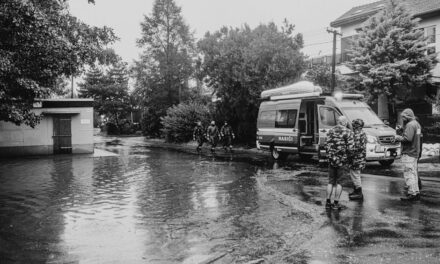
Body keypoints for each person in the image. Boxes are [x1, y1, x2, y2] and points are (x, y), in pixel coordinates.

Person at [325, 116, 354, 210]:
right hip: (342, 160)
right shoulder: (348, 132)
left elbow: (326, 145)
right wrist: (350, 159)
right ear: (345, 123)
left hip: (331, 160)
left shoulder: (330, 131)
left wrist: (330, 156)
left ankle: (328, 202)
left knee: (330, 181)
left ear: (338, 122)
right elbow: (350, 148)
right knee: (340, 182)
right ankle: (336, 203)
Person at [394, 108, 422, 201]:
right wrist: (402, 130)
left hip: (409, 152)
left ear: (407, 116)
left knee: (408, 174)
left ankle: (412, 193)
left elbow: (407, 139)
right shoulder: (417, 124)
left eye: (404, 117)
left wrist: (397, 137)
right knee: (413, 173)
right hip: (415, 152)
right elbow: (414, 137)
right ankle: (416, 192)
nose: (403, 119)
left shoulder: (410, 125)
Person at [348, 119, 367, 201]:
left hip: (356, 158)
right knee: (355, 174)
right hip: (360, 158)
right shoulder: (362, 133)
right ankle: (356, 191)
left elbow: (356, 147)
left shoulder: (357, 134)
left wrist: (349, 153)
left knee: (355, 175)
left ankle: (359, 193)